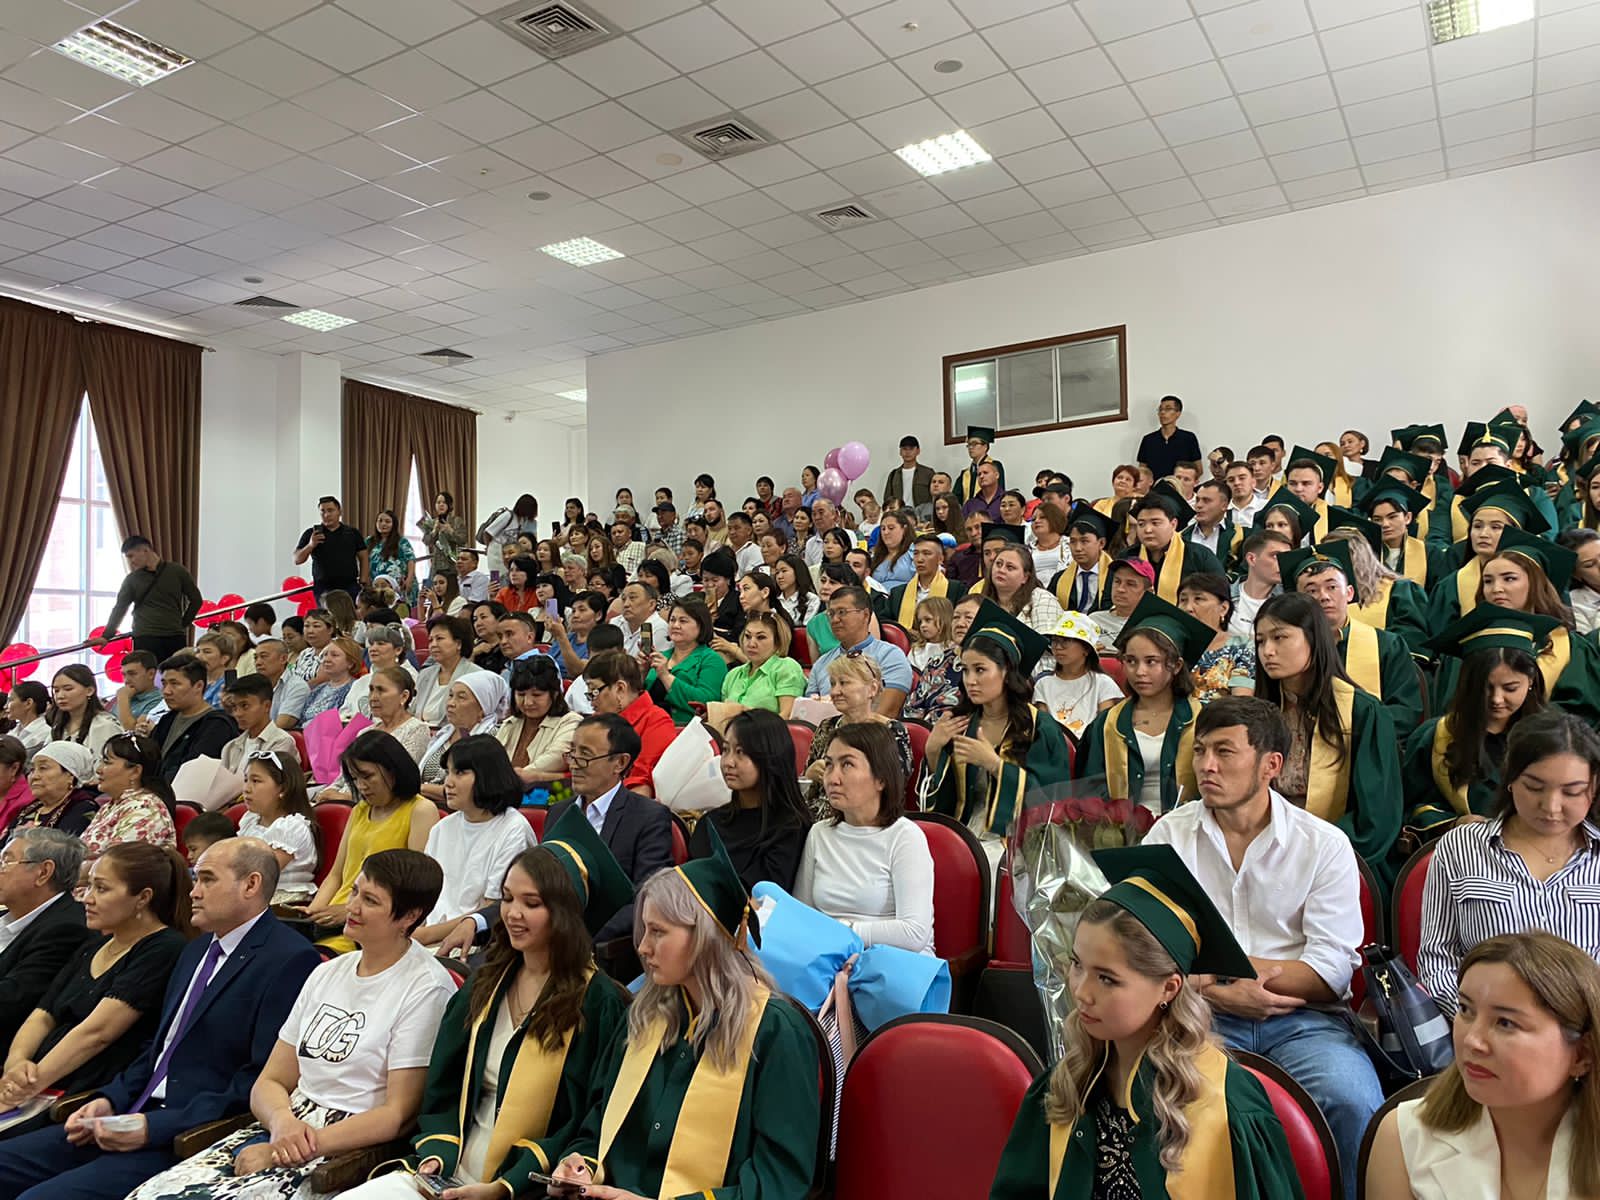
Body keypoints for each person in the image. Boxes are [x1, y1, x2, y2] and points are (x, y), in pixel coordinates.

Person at [1143, 697, 1380, 1198]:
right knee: (1148, 1094)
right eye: (1201, 750)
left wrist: (1214, 972)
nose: (1206, 765)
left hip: (1304, 1020)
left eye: (1224, 752)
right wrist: (1215, 990)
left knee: (1352, 1099)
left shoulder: (1323, 844)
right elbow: (1150, 947)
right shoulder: (1168, 835)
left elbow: (1330, 970)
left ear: (1271, 764)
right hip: (1195, 1016)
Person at [0, 839, 318, 1200]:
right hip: (128, 1113)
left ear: (251, 884)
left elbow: (257, 1079)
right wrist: (110, 1098)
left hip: (185, 1134)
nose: (194, 892)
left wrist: (153, 1126)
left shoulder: (289, 959)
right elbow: (161, 1048)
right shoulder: (196, 950)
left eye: (208, 879)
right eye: (196, 879)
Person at [128, 850, 453, 1200]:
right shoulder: (327, 972)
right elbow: (270, 1080)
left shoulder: (425, 988)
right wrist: (281, 1121)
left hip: (344, 1143)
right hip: (285, 1122)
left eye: (370, 900)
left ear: (410, 916)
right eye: (355, 892)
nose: (352, 907)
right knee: (148, 1194)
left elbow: (397, 1115)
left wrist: (293, 1147)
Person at [989, 843, 1305, 1200]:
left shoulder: (1227, 1106)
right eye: (1077, 965)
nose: (1081, 992)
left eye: (1107, 978)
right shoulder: (1067, 1082)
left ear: (1168, 988)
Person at [343, 822, 633, 1200]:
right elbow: (444, 1087)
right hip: (448, 1170)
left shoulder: (596, 1003)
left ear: (565, 913)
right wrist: (437, 1154)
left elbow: (584, 1120)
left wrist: (502, 1187)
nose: (512, 913)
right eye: (507, 898)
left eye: (531, 903)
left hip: (524, 1185)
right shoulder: (486, 982)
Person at [543, 837, 820, 1198]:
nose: (643, 947)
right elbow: (597, 1123)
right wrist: (581, 1166)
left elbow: (779, 1182)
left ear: (707, 936)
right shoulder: (642, 1016)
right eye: (645, 930)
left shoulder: (776, 1032)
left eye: (658, 932)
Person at [1365, 931, 1600, 1200]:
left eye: (1505, 1023)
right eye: (1466, 1010)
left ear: (1582, 1055)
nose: (1472, 1041)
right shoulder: (1403, 1136)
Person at [1418, 709, 1600, 1014]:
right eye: (1534, 787)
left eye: (1572, 792)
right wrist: (1485, 1019)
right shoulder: (1461, 848)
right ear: (1510, 779)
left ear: (1593, 788)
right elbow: (1438, 959)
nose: (1551, 806)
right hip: (1485, 1027)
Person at [0, 843, 189, 1135]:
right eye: (88, 886)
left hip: (80, 1093)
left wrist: (28, 1084)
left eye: (101, 889)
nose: (87, 898)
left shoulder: (163, 948)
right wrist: (16, 1063)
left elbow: (97, 1033)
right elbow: (43, 1014)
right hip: (36, 1081)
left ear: (143, 898)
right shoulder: (95, 944)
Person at [1253, 591, 1403, 873]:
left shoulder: (1362, 713)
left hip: (1340, 859)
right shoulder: (1258, 714)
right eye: (1261, 641)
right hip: (1264, 852)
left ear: (1314, 638)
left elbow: (1375, 818)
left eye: (1279, 637)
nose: (1267, 651)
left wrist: (1310, 853)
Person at [922, 602, 1075, 846]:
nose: (970, 680)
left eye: (980, 670)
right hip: (963, 834)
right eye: (965, 670)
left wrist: (994, 765)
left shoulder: (1039, 728)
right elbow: (944, 803)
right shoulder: (960, 723)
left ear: (1007, 672)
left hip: (1017, 842)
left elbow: (1052, 805)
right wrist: (933, 750)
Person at [300, 731, 440, 953]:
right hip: (336, 919)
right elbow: (336, 875)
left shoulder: (420, 810)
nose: (361, 786)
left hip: (372, 925)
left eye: (367, 776)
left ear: (393, 771)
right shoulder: (360, 810)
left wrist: (349, 910)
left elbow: (414, 887)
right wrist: (312, 914)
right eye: (355, 779)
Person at [1076, 594, 1213, 816]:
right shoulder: (1107, 724)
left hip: (1187, 829)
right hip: (1119, 832)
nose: (1139, 672)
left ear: (1176, 665)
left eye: (1151, 662)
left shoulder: (1203, 720)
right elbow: (1090, 794)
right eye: (1131, 661)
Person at [1280, 541, 1424, 741]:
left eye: (1332, 587)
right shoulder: (1283, 649)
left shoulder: (1386, 646)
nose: (1323, 596)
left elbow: (1406, 713)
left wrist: (1351, 730)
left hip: (1368, 747)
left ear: (1349, 593)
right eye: (1311, 591)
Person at [414, 736, 537, 948]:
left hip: (477, 944)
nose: (448, 782)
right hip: (427, 939)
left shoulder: (513, 829)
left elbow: (493, 910)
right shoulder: (442, 828)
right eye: (448, 772)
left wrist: (425, 936)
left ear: (487, 776)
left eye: (460, 773)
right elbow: (424, 897)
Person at [691, 710, 812, 895]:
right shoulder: (710, 823)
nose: (728, 762)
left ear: (770, 756)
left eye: (740, 752)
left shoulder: (791, 828)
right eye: (726, 750)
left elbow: (764, 897)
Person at [0, 830, 92, 1054]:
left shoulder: (66, 929)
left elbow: (9, 1003)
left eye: (6, 861)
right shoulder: (7, 915)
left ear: (43, 872)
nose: (0, 868)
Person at [803, 653, 914, 789]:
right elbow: (804, 781)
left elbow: (895, 784)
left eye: (844, 683)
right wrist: (810, 774)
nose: (835, 692)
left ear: (872, 688)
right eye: (832, 684)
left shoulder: (891, 731)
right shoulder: (826, 726)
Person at [81, 734, 177, 888]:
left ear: (135, 771)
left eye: (107, 762)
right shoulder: (111, 805)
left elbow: (113, 867)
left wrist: (61, 875)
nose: (98, 770)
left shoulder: (146, 810)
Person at [91, 537, 203, 662]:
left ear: (144, 550)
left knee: (176, 672)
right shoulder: (132, 579)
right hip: (147, 636)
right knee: (149, 672)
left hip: (170, 635)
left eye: (131, 556)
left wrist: (182, 624)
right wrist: (106, 636)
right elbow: (120, 608)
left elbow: (196, 600)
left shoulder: (177, 571)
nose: (131, 562)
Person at [583, 650, 675, 798]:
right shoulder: (597, 720)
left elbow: (641, 786)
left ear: (620, 688)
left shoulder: (657, 721)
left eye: (594, 691)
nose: (591, 702)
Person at [236, 751, 318, 907]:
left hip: (284, 900)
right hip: (253, 893)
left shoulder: (291, 827)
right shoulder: (250, 820)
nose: (246, 789)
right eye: (246, 780)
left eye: (256, 781)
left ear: (283, 788)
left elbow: (260, 873)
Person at [1123, 482, 1226, 603]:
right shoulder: (1127, 557)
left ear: (1173, 524)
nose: (1148, 530)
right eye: (1141, 524)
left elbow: (1220, 598)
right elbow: (1108, 600)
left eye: (1155, 523)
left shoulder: (1200, 557)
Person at [419, 674, 511, 801]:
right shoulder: (443, 735)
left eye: (461, 698)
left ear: (483, 707)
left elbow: (476, 788)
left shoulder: (493, 738)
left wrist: (422, 788)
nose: (451, 703)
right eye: (451, 695)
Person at [1033, 611, 1124, 738]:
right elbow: (1044, 730)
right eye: (1054, 641)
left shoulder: (1103, 683)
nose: (1058, 647)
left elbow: (1105, 727)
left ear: (1086, 649)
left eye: (1066, 641)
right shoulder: (1043, 684)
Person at [146, 657, 235, 785]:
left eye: (175, 684)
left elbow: (193, 773)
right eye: (164, 684)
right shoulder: (168, 719)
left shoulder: (217, 725)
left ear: (198, 686)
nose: (166, 691)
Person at [495, 656, 581, 789]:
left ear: (555, 694)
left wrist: (510, 779)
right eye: (521, 694)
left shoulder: (571, 722)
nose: (528, 702)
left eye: (537, 695)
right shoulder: (511, 723)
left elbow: (556, 758)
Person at [644, 598, 728, 726]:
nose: (675, 625)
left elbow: (705, 704)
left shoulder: (712, 660)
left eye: (683, 621)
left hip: (686, 729)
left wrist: (666, 677)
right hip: (650, 724)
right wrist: (641, 671)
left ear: (701, 625)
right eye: (672, 620)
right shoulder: (661, 656)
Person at [1177, 572, 1256, 702]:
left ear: (1223, 608)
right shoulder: (1173, 646)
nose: (1188, 608)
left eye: (1198, 599)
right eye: (1183, 600)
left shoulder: (1242, 647)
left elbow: (1241, 702)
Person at [6, 743, 99, 840]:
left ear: (70, 776)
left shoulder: (84, 808)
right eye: (32, 769)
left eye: (43, 768)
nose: (34, 776)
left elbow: (62, 847)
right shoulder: (30, 808)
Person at [215, 674, 296, 781]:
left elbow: (269, 784)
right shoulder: (230, 747)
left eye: (245, 706)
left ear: (267, 706)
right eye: (234, 707)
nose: (238, 713)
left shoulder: (282, 742)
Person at [413, 614, 486, 728]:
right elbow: (412, 711)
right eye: (430, 640)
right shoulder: (425, 674)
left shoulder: (475, 675)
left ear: (458, 644)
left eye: (439, 639)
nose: (433, 645)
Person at [292, 496, 368, 603]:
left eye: (330, 510)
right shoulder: (311, 533)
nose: (326, 515)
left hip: (350, 585)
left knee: (351, 612)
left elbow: (363, 556)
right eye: (323, 511)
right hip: (323, 588)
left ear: (339, 512)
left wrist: (363, 581)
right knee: (327, 613)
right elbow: (297, 560)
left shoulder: (352, 533)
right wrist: (311, 545)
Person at [46, 666, 121, 760]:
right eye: (56, 691)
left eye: (68, 689)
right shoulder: (58, 725)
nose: (60, 696)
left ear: (89, 691)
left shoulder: (105, 725)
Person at [1228, 530, 1288, 644]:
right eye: (1276, 556)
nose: (1283, 563)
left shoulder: (1289, 602)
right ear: (1251, 559)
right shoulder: (1222, 596)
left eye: (1286, 557)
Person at [1136, 394, 1203, 482]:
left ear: (1178, 413)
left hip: (1180, 488)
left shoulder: (1188, 438)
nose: (1163, 412)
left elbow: (1198, 470)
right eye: (1160, 409)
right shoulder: (1148, 440)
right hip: (1155, 488)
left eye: (1168, 409)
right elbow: (1142, 471)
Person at [251, 640, 309, 733]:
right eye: (255, 658)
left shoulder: (297, 686)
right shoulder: (253, 685)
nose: (258, 662)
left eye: (264, 656)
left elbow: (281, 726)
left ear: (283, 659)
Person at [364, 509, 416, 608]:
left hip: (400, 585)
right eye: (380, 521)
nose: (383, 524)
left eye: (387, 521)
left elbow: (411, 560)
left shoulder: (402, 541)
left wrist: (409, 579)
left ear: (394, 524)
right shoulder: (369, 541)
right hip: (378, 586)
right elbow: (364, 561)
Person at [419, 490, 469, 581]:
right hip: (437, 565)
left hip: (453, 564)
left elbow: (463, 540)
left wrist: (451, 531)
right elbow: (426, 542)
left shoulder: (456, 521)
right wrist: (434, 531)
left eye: (444, 502)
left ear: (449, 505)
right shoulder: (432, 522)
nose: (441, 505)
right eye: (438, 502)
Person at [954, 425, 1006, 506]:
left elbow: (999, 492)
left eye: (974, 444)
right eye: (969, 445)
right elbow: (956, 498)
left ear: (985, 447)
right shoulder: (965, 473)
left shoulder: (995, 465)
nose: (971, 447)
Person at [111, 653, 163, 732]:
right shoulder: (125, 695)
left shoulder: (159, 701)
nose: (126, 680)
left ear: (151, 674)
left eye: (132, 674)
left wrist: (123, 699)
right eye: (124, 675)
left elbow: (133, 732)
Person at [884, 434, 934, 510]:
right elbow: (887, 499)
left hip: (922, 513)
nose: (907, 452)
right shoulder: (894, 474)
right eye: (904, 449)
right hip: (899, 513)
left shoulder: (928, 473)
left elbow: (935, 495)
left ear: (918, 451)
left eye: (911, 449)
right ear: (900, 452)